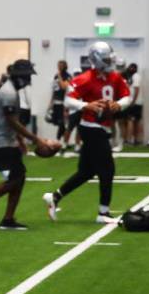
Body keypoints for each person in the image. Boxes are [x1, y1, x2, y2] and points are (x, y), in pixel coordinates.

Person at [43, 41, 131, 224]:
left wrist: (119, 104)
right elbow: (68, 100)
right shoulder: (85, 78)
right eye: (106, 59)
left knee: (86, 171)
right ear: (97, 59)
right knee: (107, 170)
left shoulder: (114, 77)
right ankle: (103, 212)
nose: (109, 62)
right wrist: (86, 105)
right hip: (91, 127)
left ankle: (55, 197)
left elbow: (127, 96)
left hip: (102, 126)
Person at [0, 59, 56, 230]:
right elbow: (12, 121)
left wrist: (20, 140)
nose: (29, 80)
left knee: (19, 177)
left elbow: (12, 122)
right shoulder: (9, 93)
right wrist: (36, 140)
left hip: (5, 138)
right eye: (27, 76)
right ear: (20, 77)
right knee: (15, 178)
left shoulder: (12, 90)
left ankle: (8, 219)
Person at [47, 60, 72, 144]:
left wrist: (60, 76)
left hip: (64, 103)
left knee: (63, 123)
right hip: (56, 103)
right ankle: (62, 142)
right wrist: (50, 104)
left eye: (61, 65)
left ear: (65, 66)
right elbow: (54, 90)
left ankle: (60, 141)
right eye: (58, 65)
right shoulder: (56, 76)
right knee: (58, 123)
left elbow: (64, 87)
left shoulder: (67, 76)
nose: (59, 67)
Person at [122, 63, 143, 145]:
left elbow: (136, 89)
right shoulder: (134, 76)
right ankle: (136, 140)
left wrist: (133, 101)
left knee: (130, 120)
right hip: (138, 102)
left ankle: (129, 140)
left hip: (135, 102)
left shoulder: (135, 76)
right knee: (136, 121)